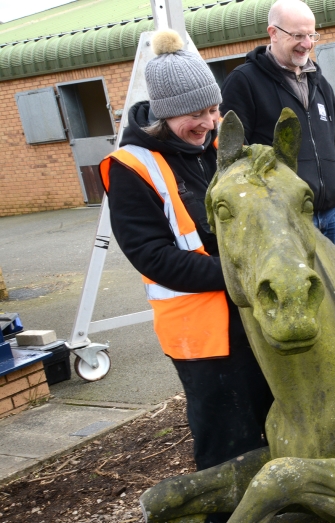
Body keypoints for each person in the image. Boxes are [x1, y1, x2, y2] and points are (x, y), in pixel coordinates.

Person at [101, 30, 274, 484]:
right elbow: (153, 256)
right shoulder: (131, 168)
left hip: (249, 313)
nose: (210, 122)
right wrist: (237, 273)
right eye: (196, 114)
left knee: (269, 419)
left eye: (214, 110)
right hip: (202, 332)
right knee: (226, 443)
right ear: (164, 113)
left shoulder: (217, 150)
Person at [221, 0, 335, 250]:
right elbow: (234, 152)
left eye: (312, 35)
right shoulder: (244, 82)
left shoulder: (319, 82)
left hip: (332, 212)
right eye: (298, 35)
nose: (307, 44)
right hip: (285, 217)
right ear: (273, 33)